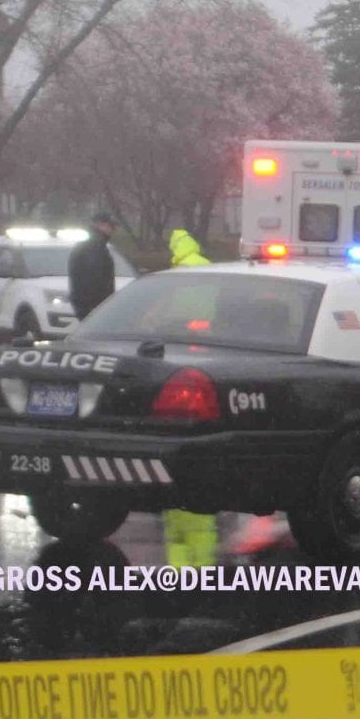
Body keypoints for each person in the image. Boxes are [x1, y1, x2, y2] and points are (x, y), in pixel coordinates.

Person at [161, 228, 222, 566]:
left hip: (180, 336)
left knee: (180, 523)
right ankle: (199, 569)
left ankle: (182, 569)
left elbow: (169, 311)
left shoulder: (178, 273)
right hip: (205, 335)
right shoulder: (205, 265)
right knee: (197, 521)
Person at [68, 212, 118, 320]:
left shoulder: (94, 246)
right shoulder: (95, 248)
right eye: (110, 226)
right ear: (99, 225)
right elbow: (94, 280)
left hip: (89, 307)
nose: (112, 230)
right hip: (95, 309)